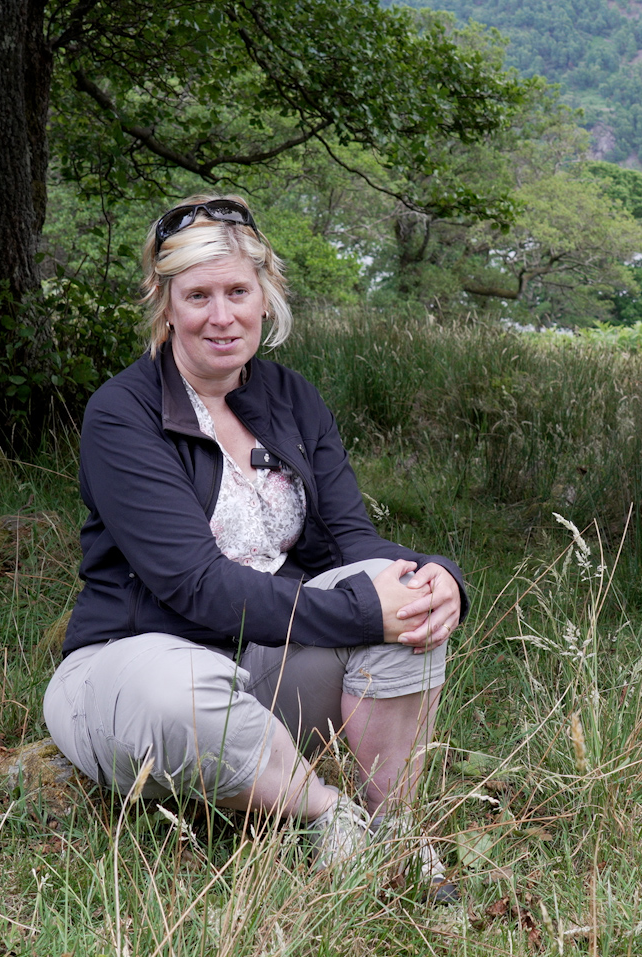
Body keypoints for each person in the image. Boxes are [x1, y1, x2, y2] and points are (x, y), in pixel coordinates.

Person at [43, 194, 465, 896]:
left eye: (238, 291)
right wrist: (366, 610)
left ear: (264, 296)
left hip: (263, 664)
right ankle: (327, 815)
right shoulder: (122, 412)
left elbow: (350, 546)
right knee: (177, 695)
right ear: (165, 303)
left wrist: (434, 575)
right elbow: (194, 586)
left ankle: (397, 829)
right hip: (134, 663)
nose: (221, 315)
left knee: (409, 604)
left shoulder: (291, 397)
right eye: (198, 295)